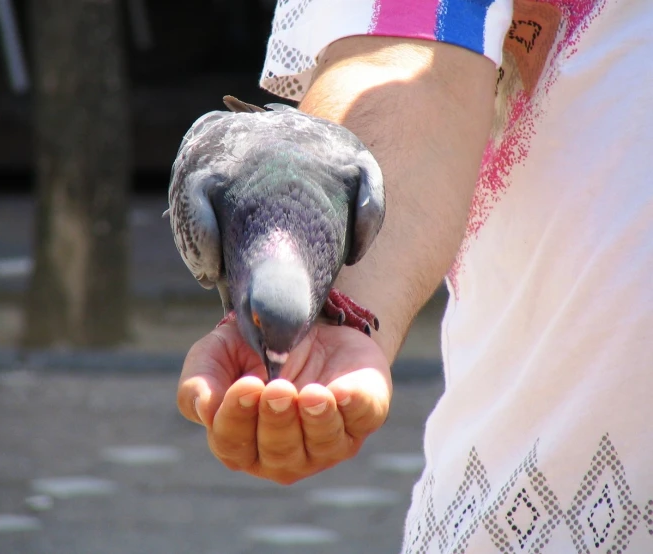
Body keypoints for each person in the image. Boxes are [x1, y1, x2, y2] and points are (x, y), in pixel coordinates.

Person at [177, 0, 653, 551]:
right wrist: (335, 316)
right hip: (550, 493)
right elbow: (402, 52)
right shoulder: (210, 201)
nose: (275, 360)